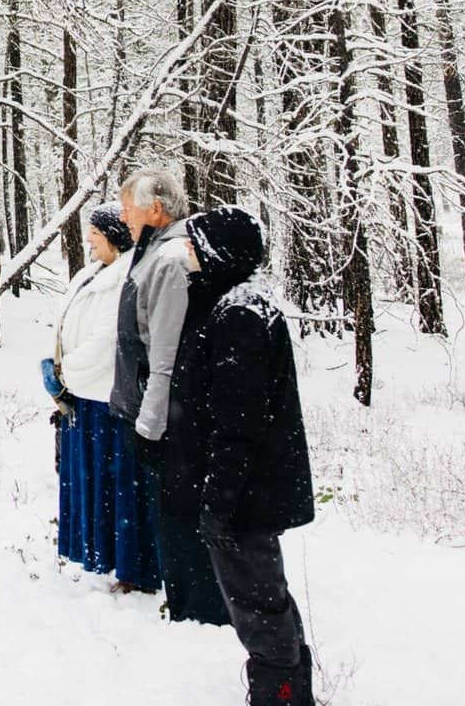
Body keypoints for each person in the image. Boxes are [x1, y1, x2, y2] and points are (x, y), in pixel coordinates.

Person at [169, 206, 316, 705]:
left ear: (218, 252)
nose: (186, 255)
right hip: (250, 487)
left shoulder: (239, 315)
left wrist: (219, 500)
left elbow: (239, 422)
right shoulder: (234, 302)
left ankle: (280, 692)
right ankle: (288, 686)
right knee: (263, 595)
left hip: (246, 493)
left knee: (256, 600)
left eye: (194, 246)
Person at [109, 165, 227, 626]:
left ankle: (197, 610)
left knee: (181, 515)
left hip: (171, 413)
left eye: (128, 209)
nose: (124, 218)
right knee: (168, 513)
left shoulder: (171, 259)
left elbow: (165, 353)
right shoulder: (156, 251)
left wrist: (151, 424)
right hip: (158, 407)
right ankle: (187, 600)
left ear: (155, 209)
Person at [48, 204, 160, 595]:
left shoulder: (125, 280)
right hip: (84, 397)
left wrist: (64, 376)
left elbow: (106, 343)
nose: (89, 241)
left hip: (108, 398)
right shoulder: (91, 274)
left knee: (118, 486)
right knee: (95, 483)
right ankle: (107, 559)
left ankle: (132, 569)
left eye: (95, 233)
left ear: (113, 236)